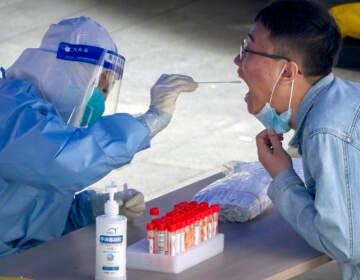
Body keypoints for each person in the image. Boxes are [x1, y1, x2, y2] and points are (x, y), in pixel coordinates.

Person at [0, 16, 197, 257]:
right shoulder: (10, 110)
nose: (101, 101)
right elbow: (64, 162)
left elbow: (32, 213)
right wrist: (150, 121)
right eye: (100, 87)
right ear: (66, 73)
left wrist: (91, 210)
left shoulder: (50, 122)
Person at [234, 0, 360, 278]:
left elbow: (344, 244)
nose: (238, 62)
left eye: (247, 50)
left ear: (288, 72)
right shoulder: (347, 97)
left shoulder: (326, 131)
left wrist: (283, 178)